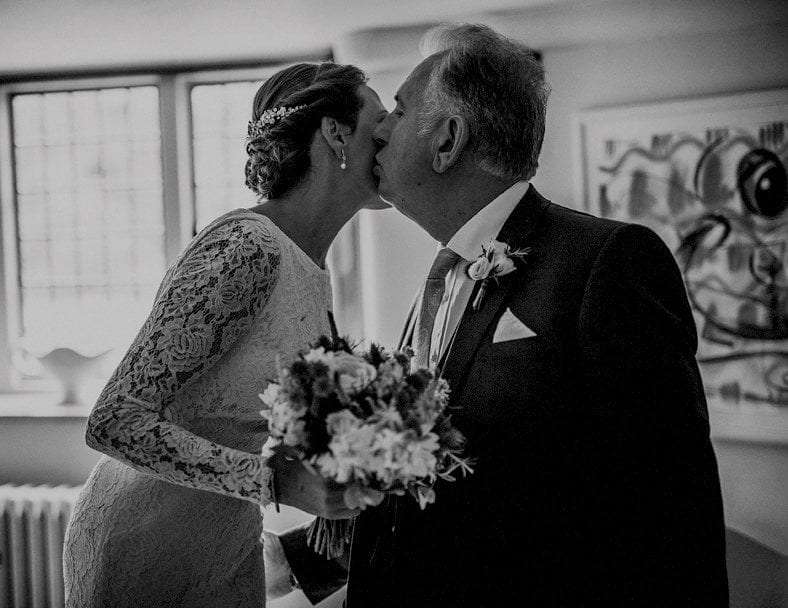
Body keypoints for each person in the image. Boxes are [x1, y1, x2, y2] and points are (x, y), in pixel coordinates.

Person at [268, 24, 729, 607]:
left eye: (401, 110)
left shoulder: (606, 265)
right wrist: (298, 558)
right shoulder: (442, 278)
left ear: (447, 140)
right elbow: (445, 482)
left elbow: (671, 511)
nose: (379, 129)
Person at [62, 61, 387, 607]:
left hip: (225, 542)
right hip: (148, 545)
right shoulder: (247, 247)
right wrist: (275, 483)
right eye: (379, 121)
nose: (390, 136)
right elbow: (114, 420)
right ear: (335, 134)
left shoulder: (313, 270)